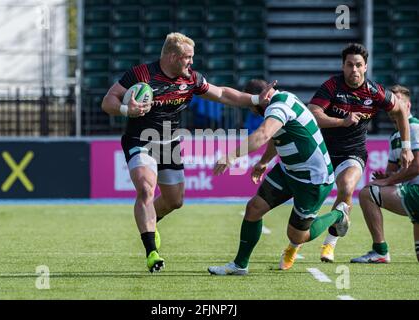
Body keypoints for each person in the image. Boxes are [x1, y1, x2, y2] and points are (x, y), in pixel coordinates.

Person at [101, 32, 275, 273]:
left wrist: (256, 97)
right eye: (188, 57)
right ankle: (152, 251)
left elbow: (223, 93)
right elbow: (107, 100)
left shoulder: (191, 79)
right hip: (140, 140)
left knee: (175, 201)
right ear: (173, 57)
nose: (191, 62)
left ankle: (151, 223)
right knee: (146, 189)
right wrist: (124, 109)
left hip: (169, 143)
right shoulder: (141, 74)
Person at [208, 85, 350, 275]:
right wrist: (264, 161)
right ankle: (240, 265)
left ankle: (338, 214)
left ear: (263, 97)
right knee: (254, 208)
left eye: (254, 105)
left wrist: (232, 156)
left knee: (297, 236)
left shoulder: (279, 106)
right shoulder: (280, 102)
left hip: (313, 179)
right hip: (288, 170)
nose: (254, 110)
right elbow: (277, 136)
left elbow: (263, 134)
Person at [307, 43, 414, 263]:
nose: (354, 69)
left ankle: (329, 244)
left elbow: (400, 110)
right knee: (311, 198)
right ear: (343, 66)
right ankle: (295, 243)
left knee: (347, 187)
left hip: (353, 153)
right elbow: (313, 114)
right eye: (349, 65)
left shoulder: (374, 91)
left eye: (358, 65)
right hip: (324, 152)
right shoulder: (332, 86)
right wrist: (341, 121)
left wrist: (405, 146)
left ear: (365, 67)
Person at [352, 85, 419, 263]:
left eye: (399, 102)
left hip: (416, 192)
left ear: (408, 106)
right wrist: (385, 178)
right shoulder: (395, 136)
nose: (393, 107)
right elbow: (392, 171)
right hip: (412, 193)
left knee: (367, 194)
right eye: (392, 102)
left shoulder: (414, 128)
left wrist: (388, 180)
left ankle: (380, 251)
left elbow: (416, 167)